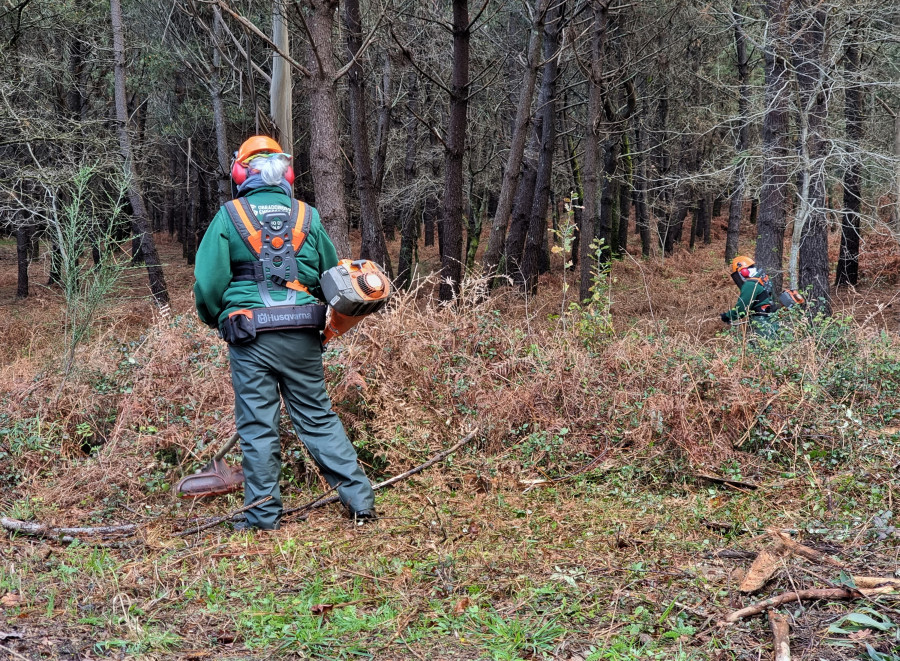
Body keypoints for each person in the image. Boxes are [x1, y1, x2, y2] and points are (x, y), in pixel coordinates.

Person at [193, 135, 376, 531]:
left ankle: (262, 517)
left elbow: (208, 285)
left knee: (259, 425)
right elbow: (332, 275)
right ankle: (360, 502)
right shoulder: (307, 216)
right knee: (318, 417)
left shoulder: (229, 216)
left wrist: (216, 319)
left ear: (241, 171)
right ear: (286, 173)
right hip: (302, 335)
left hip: (249, 336)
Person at [720, 255, 776, 337]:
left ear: (743, 271)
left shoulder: (750, 284)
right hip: (770, 318)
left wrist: (728, 316)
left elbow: (742, 307)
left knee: (759, 346)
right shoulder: (762, 279)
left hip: (761, 321)